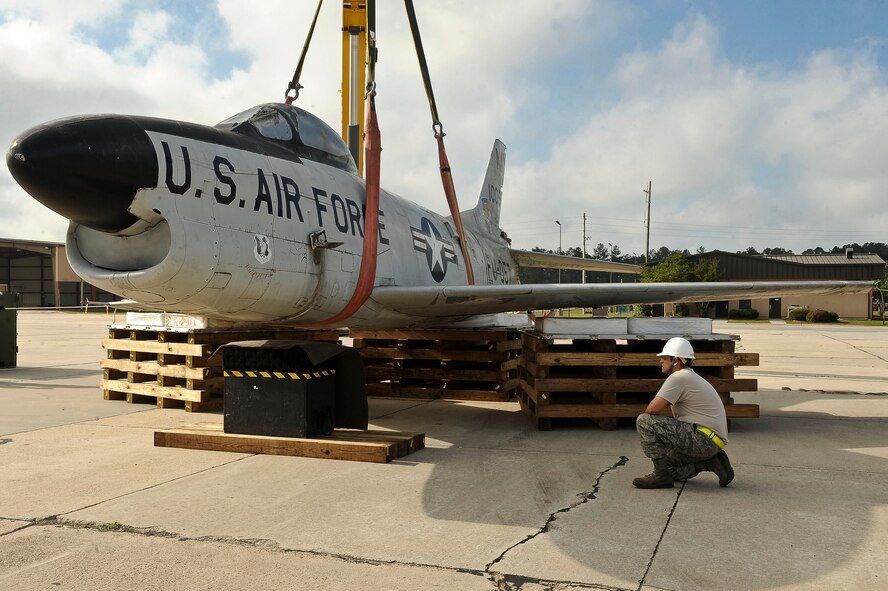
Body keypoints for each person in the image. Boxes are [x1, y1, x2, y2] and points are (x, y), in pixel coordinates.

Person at [633, 337, 734, 489]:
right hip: (711, 441)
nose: (661, 361)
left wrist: (663, 434)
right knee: (669, 468)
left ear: (677, 361)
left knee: (644, 421)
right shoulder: (689, 376)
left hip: (703, 439)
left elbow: (652, 410)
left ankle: (661, 476)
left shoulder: (679, 377)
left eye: (665, 358)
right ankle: (711, 462)